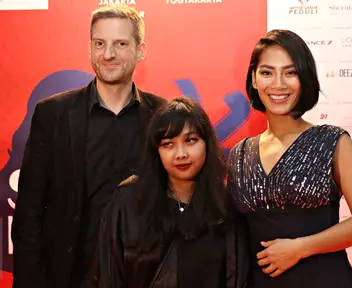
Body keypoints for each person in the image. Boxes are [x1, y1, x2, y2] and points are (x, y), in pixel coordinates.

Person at [11, 5, 166, 288]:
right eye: (99, 43)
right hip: (69, 276)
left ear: (140, 50)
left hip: (142, 277)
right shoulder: (52, 114)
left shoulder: (163, 116)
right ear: (90, 48)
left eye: (120, 44)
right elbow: (29, 213)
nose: (108, 54)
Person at [227, 29, 352, 287]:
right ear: (254, 79)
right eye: (267, 72)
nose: (278, 84)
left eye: (290, 72)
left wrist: (300, 248)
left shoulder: (333, 142)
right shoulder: (240, 155)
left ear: (305, 78)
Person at [84, 97, 249, 288]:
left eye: (190, 140)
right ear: (157, 151)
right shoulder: (129, 201)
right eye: (168, 144)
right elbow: (108, 275)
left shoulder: (225, 206)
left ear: (207, 144)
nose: (181, 154)